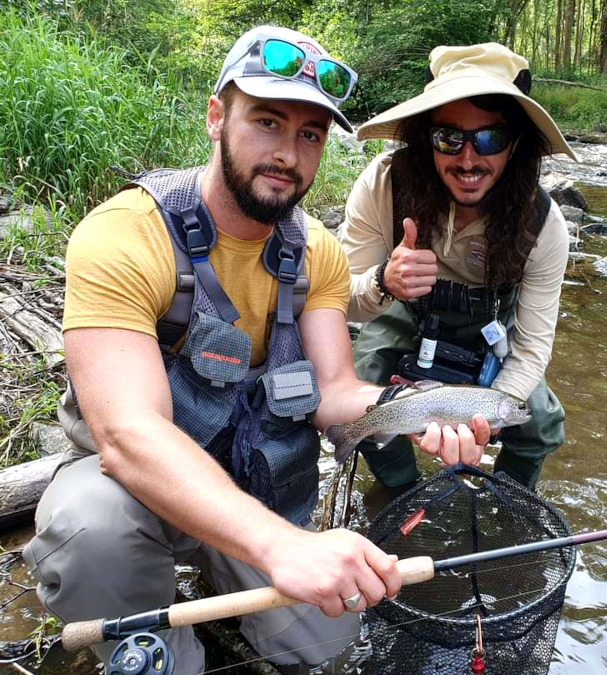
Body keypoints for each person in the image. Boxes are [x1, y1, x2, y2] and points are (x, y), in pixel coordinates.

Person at [23, 26, 489, 673]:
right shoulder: (123, 235)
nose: (288, 153)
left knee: (328, 632)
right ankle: (170, 657)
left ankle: (231, 588)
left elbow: (333, 389)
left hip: (255, 487)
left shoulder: (315, 251)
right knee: (85, 532)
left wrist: (408, 405)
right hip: (135, 496)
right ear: (217, 117)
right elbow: (127, 434)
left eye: (309, 135)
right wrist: (281, 547)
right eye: (267, 121)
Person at [340, 43, 578, 492]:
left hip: (491, 327)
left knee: (540, 422)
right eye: (449, 138)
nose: (468, 160)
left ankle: (509, 499)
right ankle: (403, 493)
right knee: (359, 399)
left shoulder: (544, 225)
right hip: (403, 316)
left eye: (489, 139)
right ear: (424, 137)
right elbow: (340, 303)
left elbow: (530, 349)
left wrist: (488, 412)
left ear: (516, 145)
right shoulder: (383, 185)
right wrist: (382, 282)